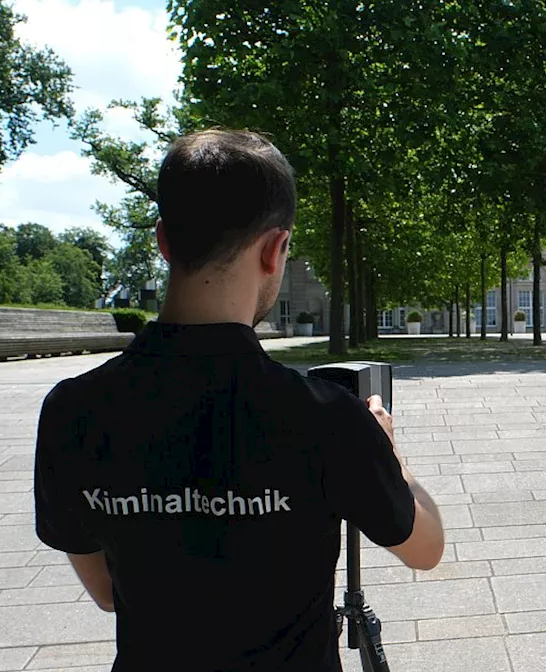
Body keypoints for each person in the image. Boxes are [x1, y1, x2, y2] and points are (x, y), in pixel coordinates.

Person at [33, 129, 445, 671]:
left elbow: (109, 592)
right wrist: (393, 461)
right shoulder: (323, 417)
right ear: (275, 250)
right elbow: (425, 548)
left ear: (163, 240)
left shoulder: (72, 411)